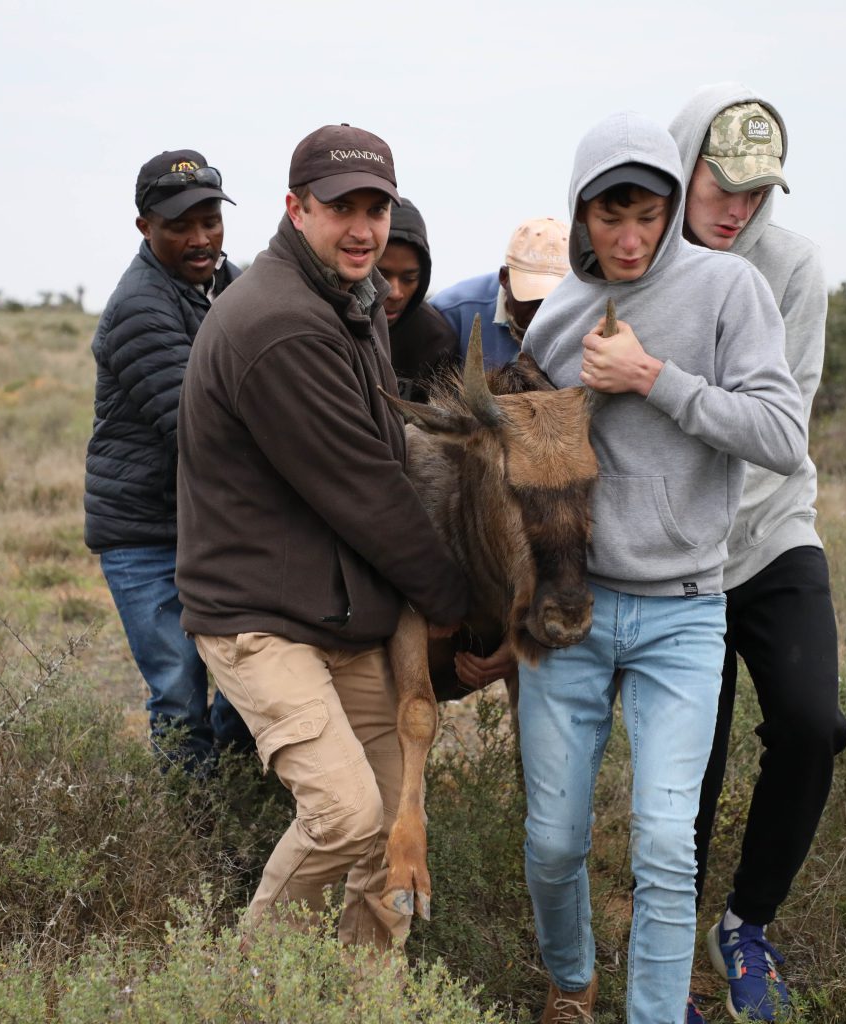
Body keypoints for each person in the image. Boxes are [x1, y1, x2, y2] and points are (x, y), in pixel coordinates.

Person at [519, 111, 806, 1024]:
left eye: (648, 214)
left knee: (665, 847)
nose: (631, 237)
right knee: (554, 842)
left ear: (674, 207)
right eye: (611, 217)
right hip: (572, 614)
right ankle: (571, 983)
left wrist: (654, 379)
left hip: (685, 613)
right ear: (581, 217)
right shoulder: (558, 313)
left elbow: (782, 435)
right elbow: (522, 462)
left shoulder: (728, 290)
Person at [175, 123, 469, 950]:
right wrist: (454, 599)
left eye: (376, 207)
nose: (363, 227)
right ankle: (250, 992)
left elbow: (384, 446)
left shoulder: (353, 297)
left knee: (393, 816)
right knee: (346, 816)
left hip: (337, 610)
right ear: (296, 208)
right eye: (342, 208)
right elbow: (366, 490)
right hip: (258, 616)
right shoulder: (281, 325)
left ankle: (360, 996)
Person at [669, 85, 846, 1023]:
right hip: (676, 557)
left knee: (813, 725)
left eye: (756, 188)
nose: (736, 206)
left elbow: (785, 423)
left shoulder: (793, 266)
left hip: (774, 529)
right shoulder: (644, 248)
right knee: (689, 768)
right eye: (720, 182)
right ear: (683, 161)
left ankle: (746, 927)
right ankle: (665, 972)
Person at [84, 148, 251, 775]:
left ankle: (237, 806)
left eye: (210, 218)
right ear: (144, 227)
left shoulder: (233, 285)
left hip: (210, 525)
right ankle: (196, 838)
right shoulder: (139, 307)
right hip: (145, 533)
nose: (200, 237)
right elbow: (197, 429)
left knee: (244, 683)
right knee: (180, 694)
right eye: (179, 224)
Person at [431, 216, 569, 370]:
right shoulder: (451, 314)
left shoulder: (588, 316)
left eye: (553, 301)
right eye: (532, 298)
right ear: (504, 277)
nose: (541, 312)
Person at [377, 196, 459, 402]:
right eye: (381, 275)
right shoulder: (327, 317)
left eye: (409, 278)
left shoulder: (436, 339)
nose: (395, 292)